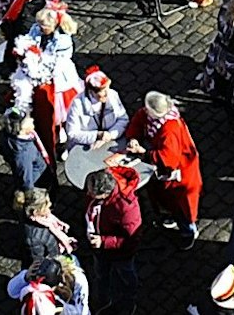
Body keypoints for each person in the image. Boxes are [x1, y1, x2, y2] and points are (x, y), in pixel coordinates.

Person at [124, 91, 202, 247]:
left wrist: (144, 153)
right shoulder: (153, 116)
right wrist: (133, 137)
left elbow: (168, 159)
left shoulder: (170, 130)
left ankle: (189, 233)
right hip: (164, 176)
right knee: (167, 201)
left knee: (182, 208)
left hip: (179, 178)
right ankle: (171, 217)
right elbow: (138, 120)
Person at [83, 165, 143, 313]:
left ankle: (129, 301)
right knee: (101, 273)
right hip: (100, 247)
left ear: (104, 194)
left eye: (91, 192)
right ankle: (103, 299)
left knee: (126, 276)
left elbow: (131, 240)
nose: (88, 194)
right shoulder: (101, 191)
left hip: (120, 253)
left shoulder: (127, 207)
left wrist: (103, 241)